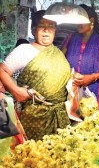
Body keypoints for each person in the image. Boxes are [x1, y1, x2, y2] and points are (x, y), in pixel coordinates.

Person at [0, 10, 71, 140]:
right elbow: (2, 70)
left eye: (51, 26)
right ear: (34, 30)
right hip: (35, 116)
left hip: (60, 115)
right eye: (41, 26)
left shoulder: (58, 52)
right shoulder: (24, 50)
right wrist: (15, 91)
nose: (46, 30)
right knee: (34, 155)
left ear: (55, 31)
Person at [62, 4, 99, 108]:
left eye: (81, 20)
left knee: (90, 121)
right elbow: (60, 59)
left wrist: (92, 77)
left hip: (92, 90)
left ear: (91, 21)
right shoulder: (70, 38)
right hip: (70, 89)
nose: (78, 24)